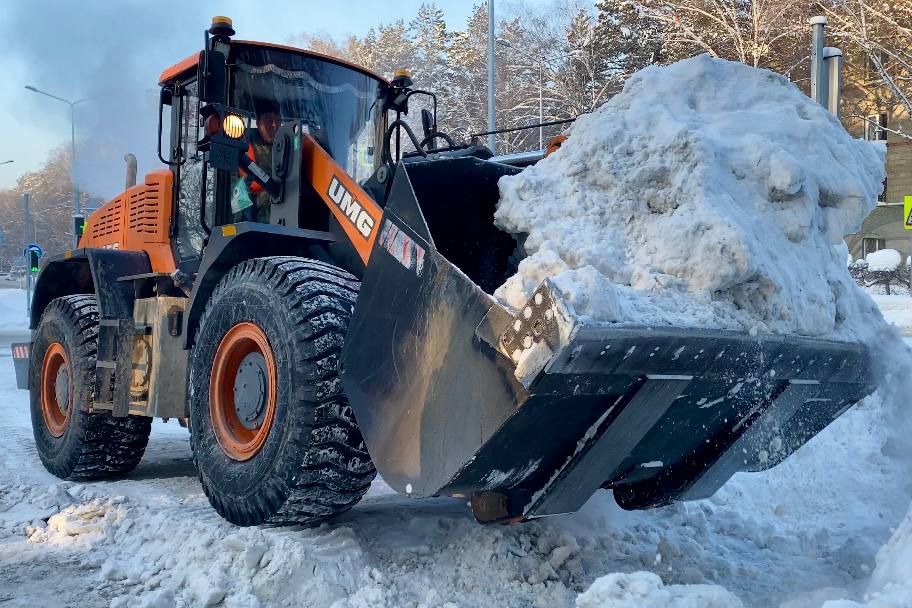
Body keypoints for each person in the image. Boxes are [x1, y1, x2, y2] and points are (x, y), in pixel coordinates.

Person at [233, 100, 282, 223]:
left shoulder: (288, 147)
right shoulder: (243, 148)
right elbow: (237, 189)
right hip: (259, 213)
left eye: (278, 120)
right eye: (270, 120)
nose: (275, 125)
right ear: (259, 122)